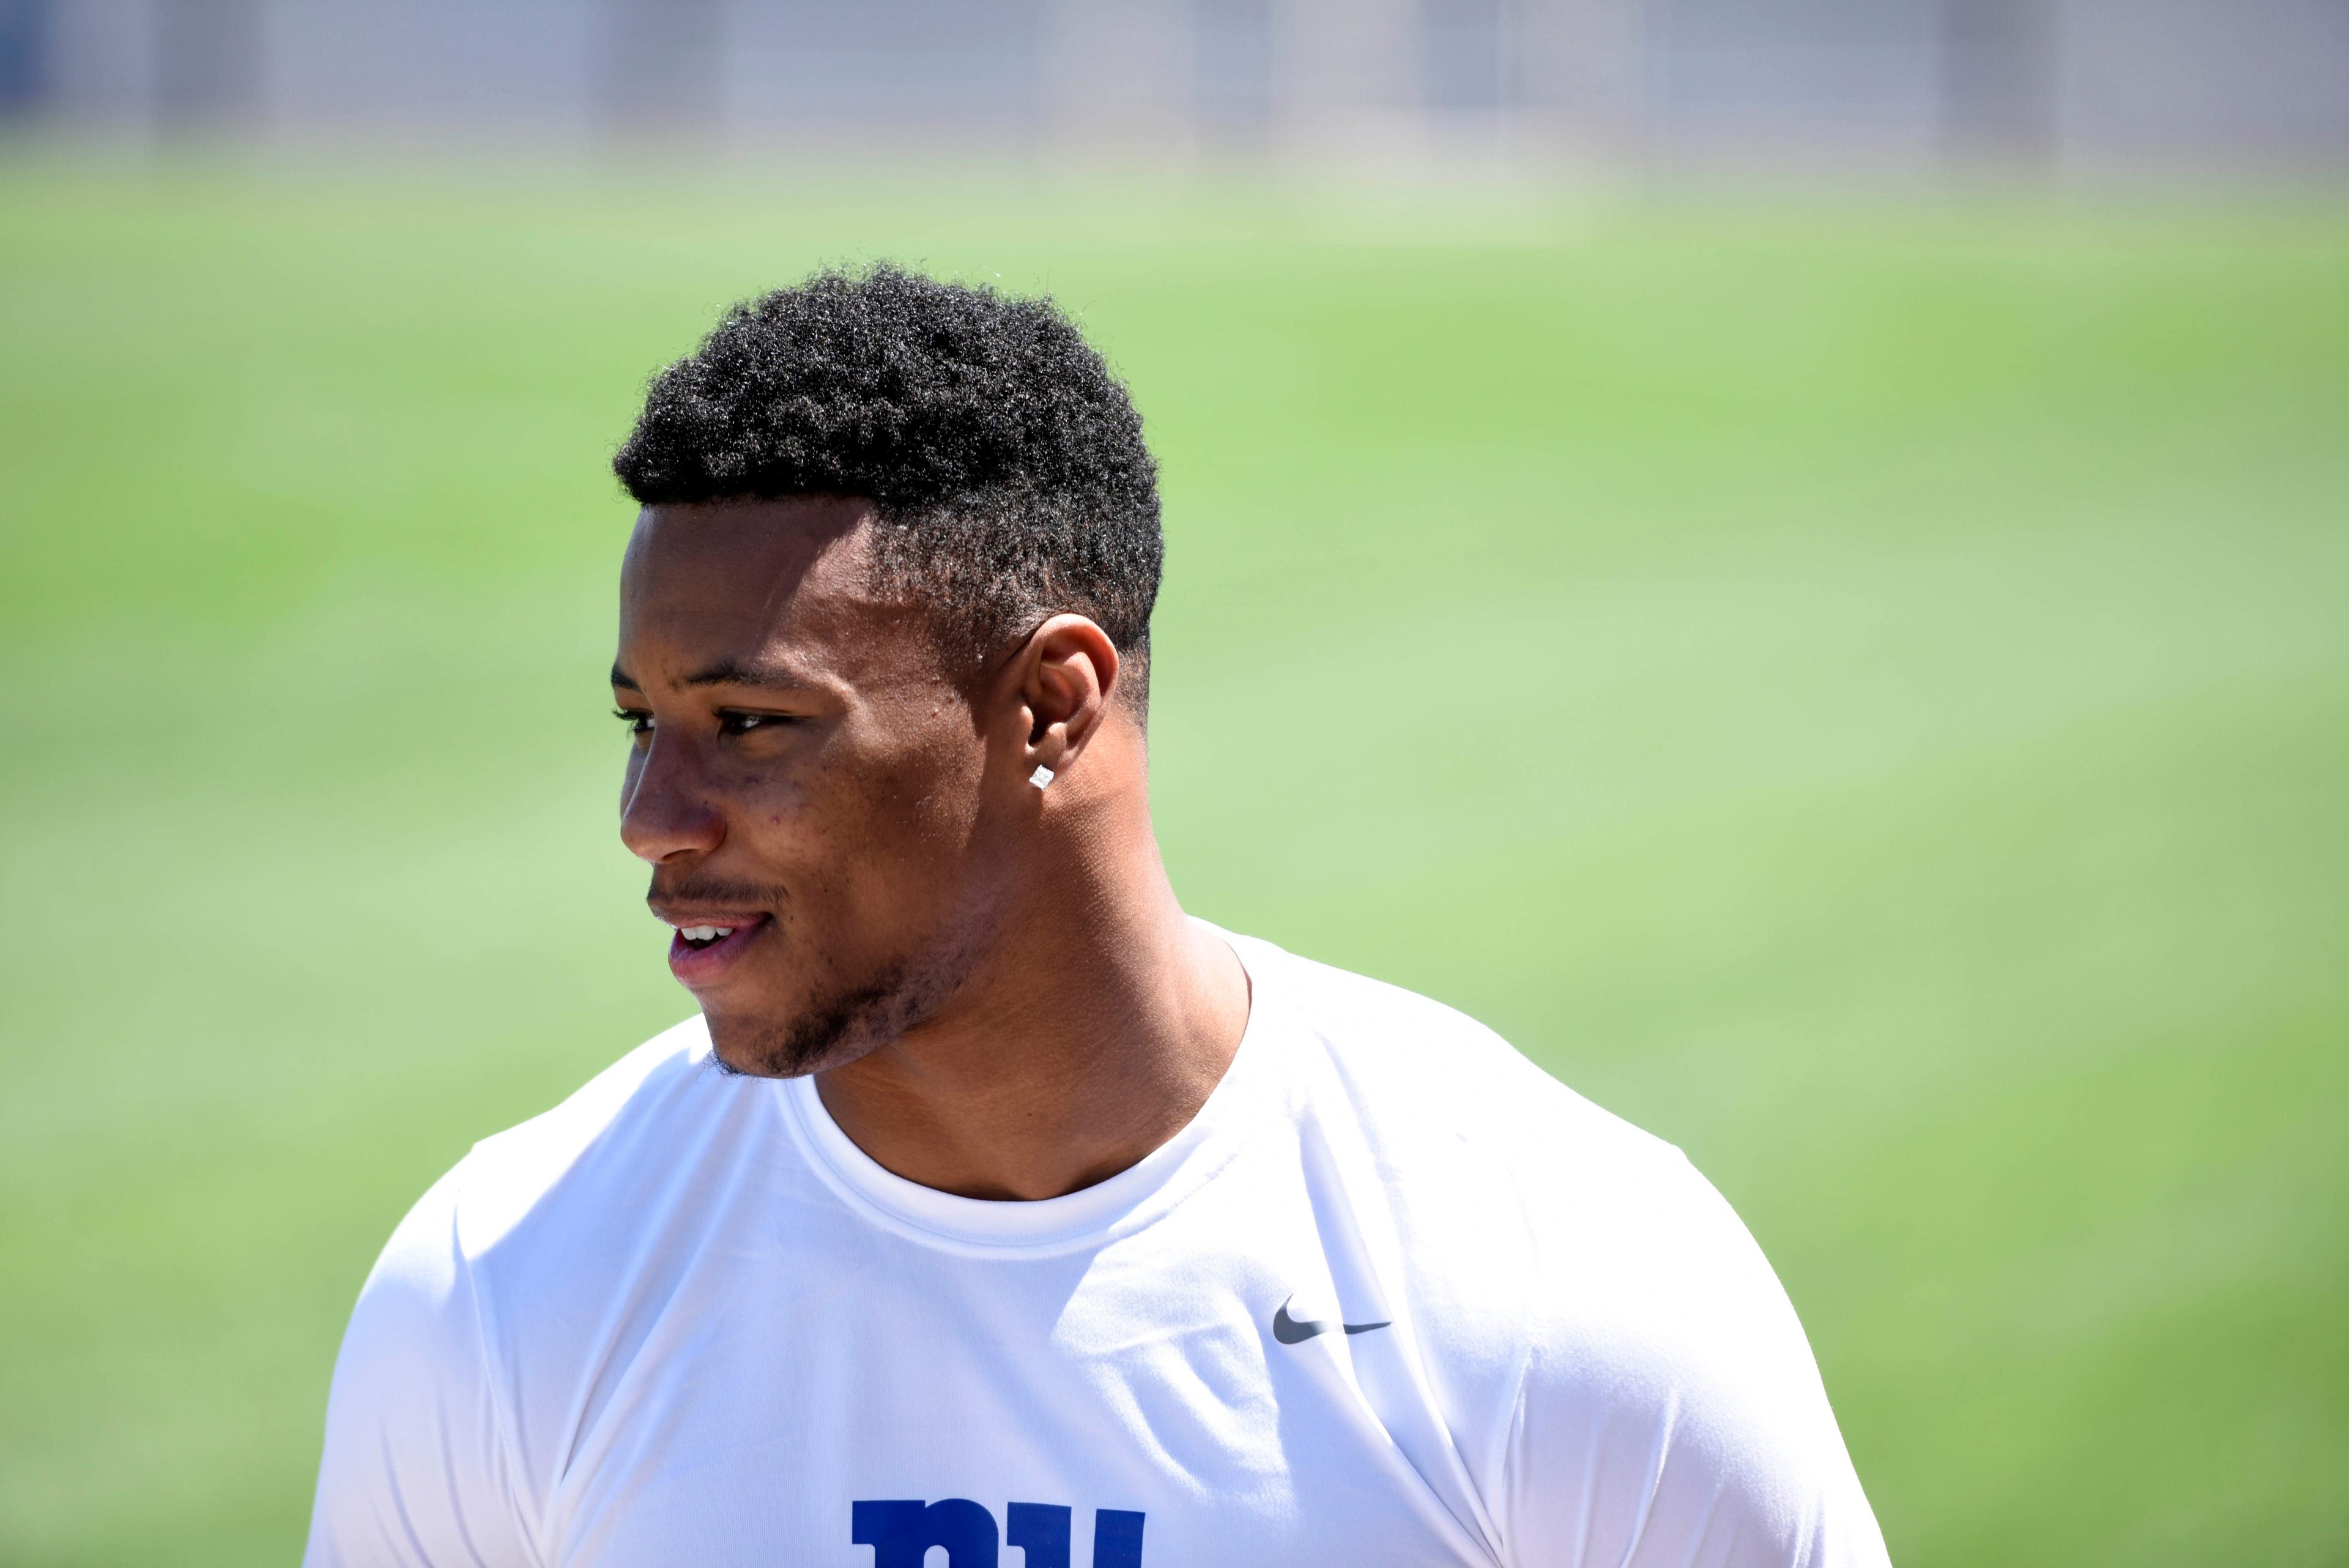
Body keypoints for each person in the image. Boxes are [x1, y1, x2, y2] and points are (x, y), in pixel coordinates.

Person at [303, 265, 1891, 1568]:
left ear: (1051, 705)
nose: (650, 818)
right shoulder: (505, 1286)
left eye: (753, 723)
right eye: (637, 722)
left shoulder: (1571, 1294)